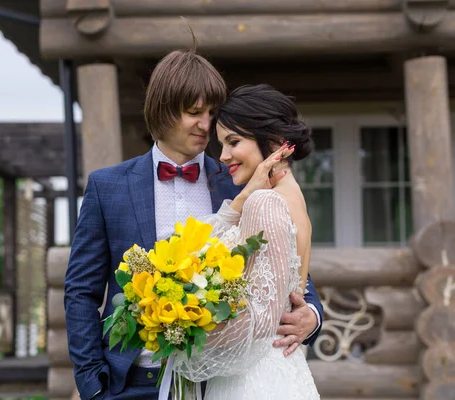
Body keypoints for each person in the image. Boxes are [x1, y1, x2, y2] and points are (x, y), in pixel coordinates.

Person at [64, 49, 323, 400]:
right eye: (194, 112)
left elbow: (284, 264)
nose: (206, 125)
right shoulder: (107, 187)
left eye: (212, 113)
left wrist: (312, 316)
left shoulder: (240, 180)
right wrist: (91, 384)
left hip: (216, 382)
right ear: (163, 109)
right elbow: (81, 291)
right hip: (128, 382)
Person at [172, 84, 321, 399]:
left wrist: (182, 327)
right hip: (282, 371)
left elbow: (261, 325)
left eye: (233, 142)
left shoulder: (264, 204)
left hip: (252, 382)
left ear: (274, 142)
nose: (223, 156)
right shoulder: (294, 201)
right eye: (221, 144)